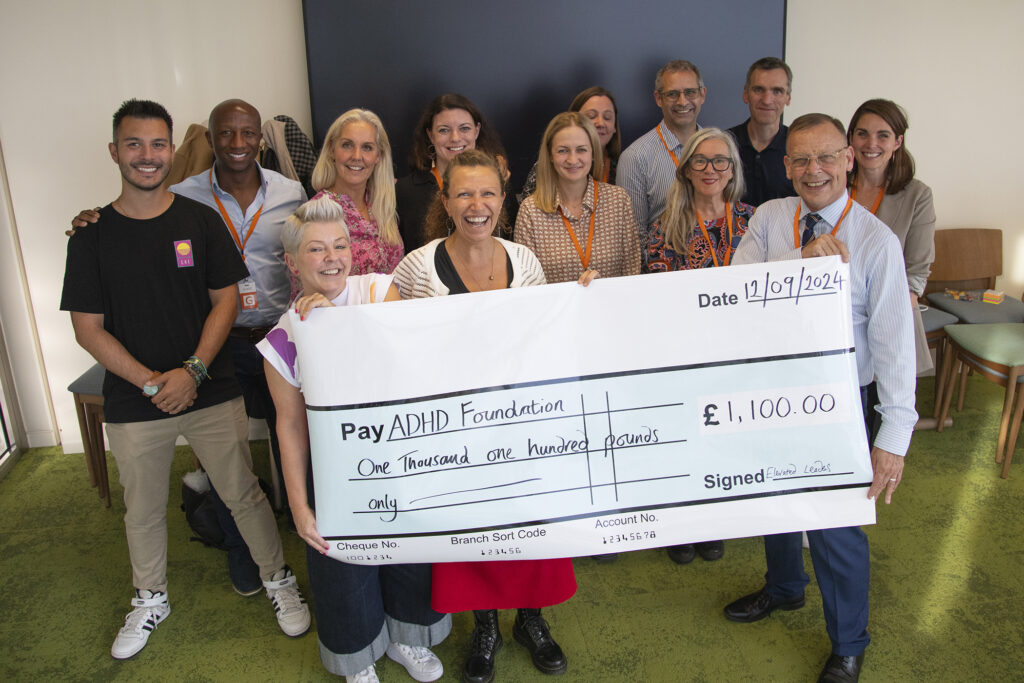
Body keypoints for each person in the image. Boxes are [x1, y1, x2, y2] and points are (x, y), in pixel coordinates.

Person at [60, 99, 309, 660]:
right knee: (142, 508)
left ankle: (278, 579)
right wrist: (153, 382)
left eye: (157, 144)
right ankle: (150, 597)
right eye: (134, 144)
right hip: (135, 396)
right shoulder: (90, 237)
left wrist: (193, 370)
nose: (147, 156)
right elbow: (87, 329)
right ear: (115, 151)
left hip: (209, 384)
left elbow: (225, 301)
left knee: (243, 492)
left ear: (172, 150)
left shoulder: (199, 220)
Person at [726, 113, 917, 682]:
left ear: (849, 159)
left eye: (827, 157)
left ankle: (849, 644)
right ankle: (785, 587)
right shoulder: (770, 217)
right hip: (772, 391)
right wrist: (801, 262)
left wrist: (893, 439)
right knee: (775, 499)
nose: (815, 170)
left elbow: (894, 347)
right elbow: (735, 288)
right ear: (786, 166)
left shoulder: (876, 242)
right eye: (802, 159)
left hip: (840, 402)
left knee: (836, 526)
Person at [393, 150, 591, 683]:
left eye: (486, 193)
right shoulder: (416, 268)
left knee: (531, 527)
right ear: (445, 200)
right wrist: (323, 306)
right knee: (473, 533)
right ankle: (486, 628)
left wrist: (585, 298)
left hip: (523, 425)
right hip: (456, 433)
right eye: (463, 193)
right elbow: (379, 334)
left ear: (503, 200)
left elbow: (547, 336)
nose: (475, 204)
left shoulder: (525, 261)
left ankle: (531, 620)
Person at [258, 195, 449, 683]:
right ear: (293, 262)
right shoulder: (282, 338)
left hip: (400, 453)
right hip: (334, 470)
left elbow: (402, 365)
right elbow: (290, 426)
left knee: (410, 552)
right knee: (343, 565)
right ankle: (358, 657)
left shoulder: (380, 290)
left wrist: (335, 326)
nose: (332, 258)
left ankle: (408, 636)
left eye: (340, 245)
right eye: (316, 249)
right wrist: (299, 507)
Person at [644, 127, 754, 565]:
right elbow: (658, 297)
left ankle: (714, 520)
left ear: (732, 169)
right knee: (684, 438)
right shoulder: (665, 225)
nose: (711, 169)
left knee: (725, 438)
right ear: (686, 169)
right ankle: (681, 524)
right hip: (686, 353)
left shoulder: (754, 221)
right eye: (700, 161)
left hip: (740, 353)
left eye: (720, 160)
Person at [848, 99, 936, 374]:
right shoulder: (833, 186)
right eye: (862, 133)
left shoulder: (918, 196)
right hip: (838, 318)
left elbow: (916, 274)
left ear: (898, 142)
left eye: (883, 135)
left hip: (889, 320)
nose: (871, 143)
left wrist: (882, 318)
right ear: (850, 138)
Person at [515, 112, 640, 284]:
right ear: (550, 155)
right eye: (563, 150)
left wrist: (602, 288)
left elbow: (632, 274)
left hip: (612, 301)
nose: (573, 159)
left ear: (593, 152)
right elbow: (527, 285)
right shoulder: (531, 211)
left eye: (581, 149)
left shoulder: (619, 201)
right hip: (555, 303)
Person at [396, 93, 513, 251]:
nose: (455, 138)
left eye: (464, 128)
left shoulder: (500, 183)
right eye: (444, 130)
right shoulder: (404, 192)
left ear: (476, 131)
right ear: (430, 135)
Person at [617, 59, 706, 251]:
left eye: (690, 92)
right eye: (672, 94)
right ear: (658, 98)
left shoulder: (722, 151)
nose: (682, 102)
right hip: (665, 266)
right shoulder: (635, 158)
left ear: (702, 95)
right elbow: (634, 240)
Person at [310, 108, 404, 274]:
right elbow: (307, 283)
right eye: (347, 145)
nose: (356, 156)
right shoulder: (317, 213)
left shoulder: (381, 203)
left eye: (367, 147)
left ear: (378, 155)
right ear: (332, 149)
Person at [518, 86, 623, 200]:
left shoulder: (623, 165)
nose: (600, 123)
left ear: (614, 127)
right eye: (591, 116)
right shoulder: (549, 165)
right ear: (573, 120)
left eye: (607, 117)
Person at [727, 57, 797, 206]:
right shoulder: (724, 144)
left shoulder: (799, 147)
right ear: (746, 94)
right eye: (759, 90)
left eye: (777, 91)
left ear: (788, 97)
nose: (766, 100)